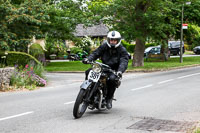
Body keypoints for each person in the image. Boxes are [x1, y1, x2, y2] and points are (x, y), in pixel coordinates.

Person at [82, 31, 129, 109]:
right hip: (102, 67)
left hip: (113, 70)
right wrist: (88, 59)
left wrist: (120, 71)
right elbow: (96, 53)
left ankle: (108, 99)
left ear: (118, 40)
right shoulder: (104, 46)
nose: (113, 42)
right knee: (88, 72)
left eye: (114, 40)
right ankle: (87, 91)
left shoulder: (122, 50)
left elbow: (124, 61)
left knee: (112, 79)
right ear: (108, 40)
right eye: (111, 40)